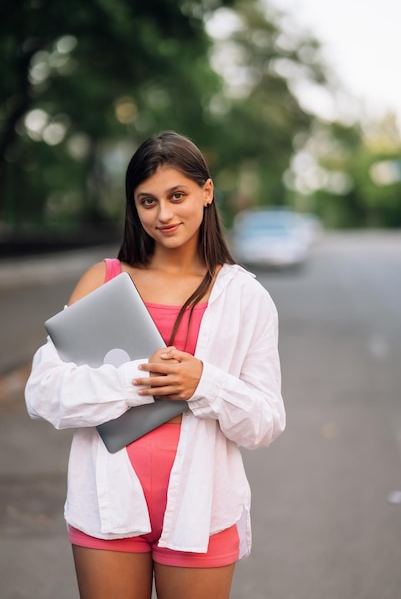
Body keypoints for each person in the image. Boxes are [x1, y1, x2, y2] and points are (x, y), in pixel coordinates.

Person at [25, 131, 286, 599]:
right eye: (147, 201)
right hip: (106, 505)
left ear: (207, 193)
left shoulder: (245, 297)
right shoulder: (104, 281)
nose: (163, 215)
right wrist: (136, 381)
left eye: (177, 195)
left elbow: (265, 423)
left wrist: (203, 383)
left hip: (202, 509)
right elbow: (44, 392)